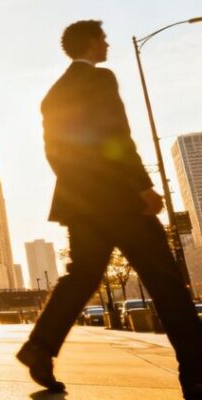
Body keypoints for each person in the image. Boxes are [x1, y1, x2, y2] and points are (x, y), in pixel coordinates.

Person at [17, 20, 202, 398]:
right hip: (120, 200)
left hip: (82, 204)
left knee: (82, 277)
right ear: (88, 44)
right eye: (102, 38)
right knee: (166, 281)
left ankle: (40, 346)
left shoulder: (53, 94)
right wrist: (142, 186)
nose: (107, 43)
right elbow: (116, 134)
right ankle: (197, 372)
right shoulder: (101, 80)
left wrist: (82, 190)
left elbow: (55, 153)